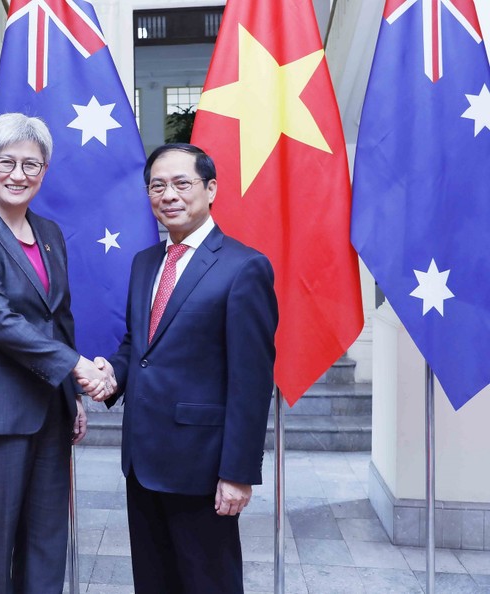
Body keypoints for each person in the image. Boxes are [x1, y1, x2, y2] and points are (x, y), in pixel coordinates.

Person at [90, 143, 278, 593]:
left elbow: (252, 383)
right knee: (154, 582)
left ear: (210, 189)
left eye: (181, 183)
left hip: (202, 467)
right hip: (142, 461)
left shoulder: (244, 267)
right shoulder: (145, 263)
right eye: (157, 185)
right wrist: (112, 373)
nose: (168, 195)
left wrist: (237, 473)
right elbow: (140, 345)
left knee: (207, 582)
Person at [0, 113, 115, 594]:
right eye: (7, 162)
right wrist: (78, 367)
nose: (19, 175)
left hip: (49, 414)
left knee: (45, 539)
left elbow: (59, 318)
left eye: (31, 165)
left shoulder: (51, 234)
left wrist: (71, 396)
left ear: (44, 171)